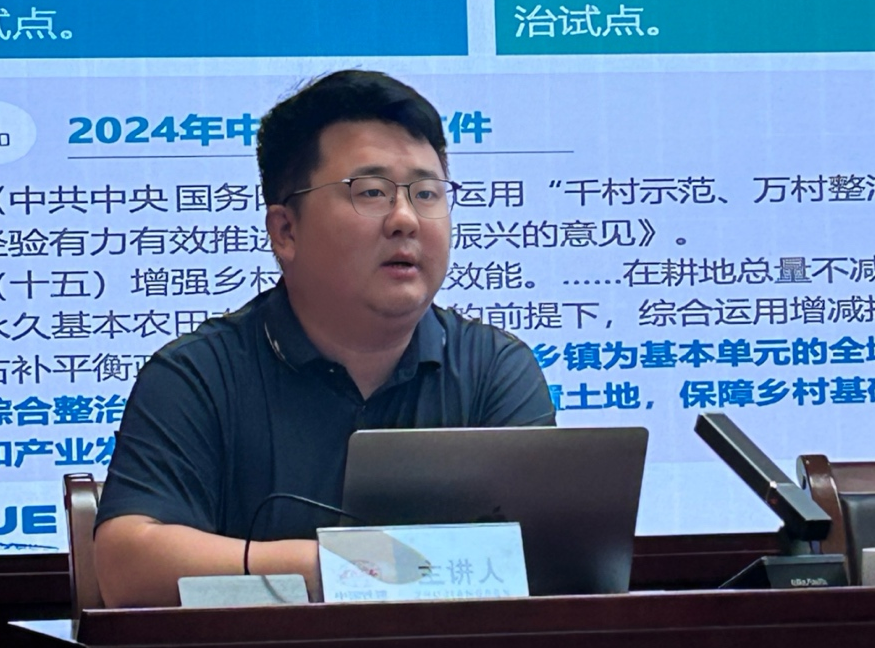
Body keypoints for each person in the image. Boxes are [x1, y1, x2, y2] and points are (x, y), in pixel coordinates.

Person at [94, 70, 555, 606]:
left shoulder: (493, 371)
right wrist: (347, 566)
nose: (405, 219)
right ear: (285, 231)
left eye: (426, 193)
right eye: (372, 192)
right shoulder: (199, 375)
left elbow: (545, 562)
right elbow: (129, 565)